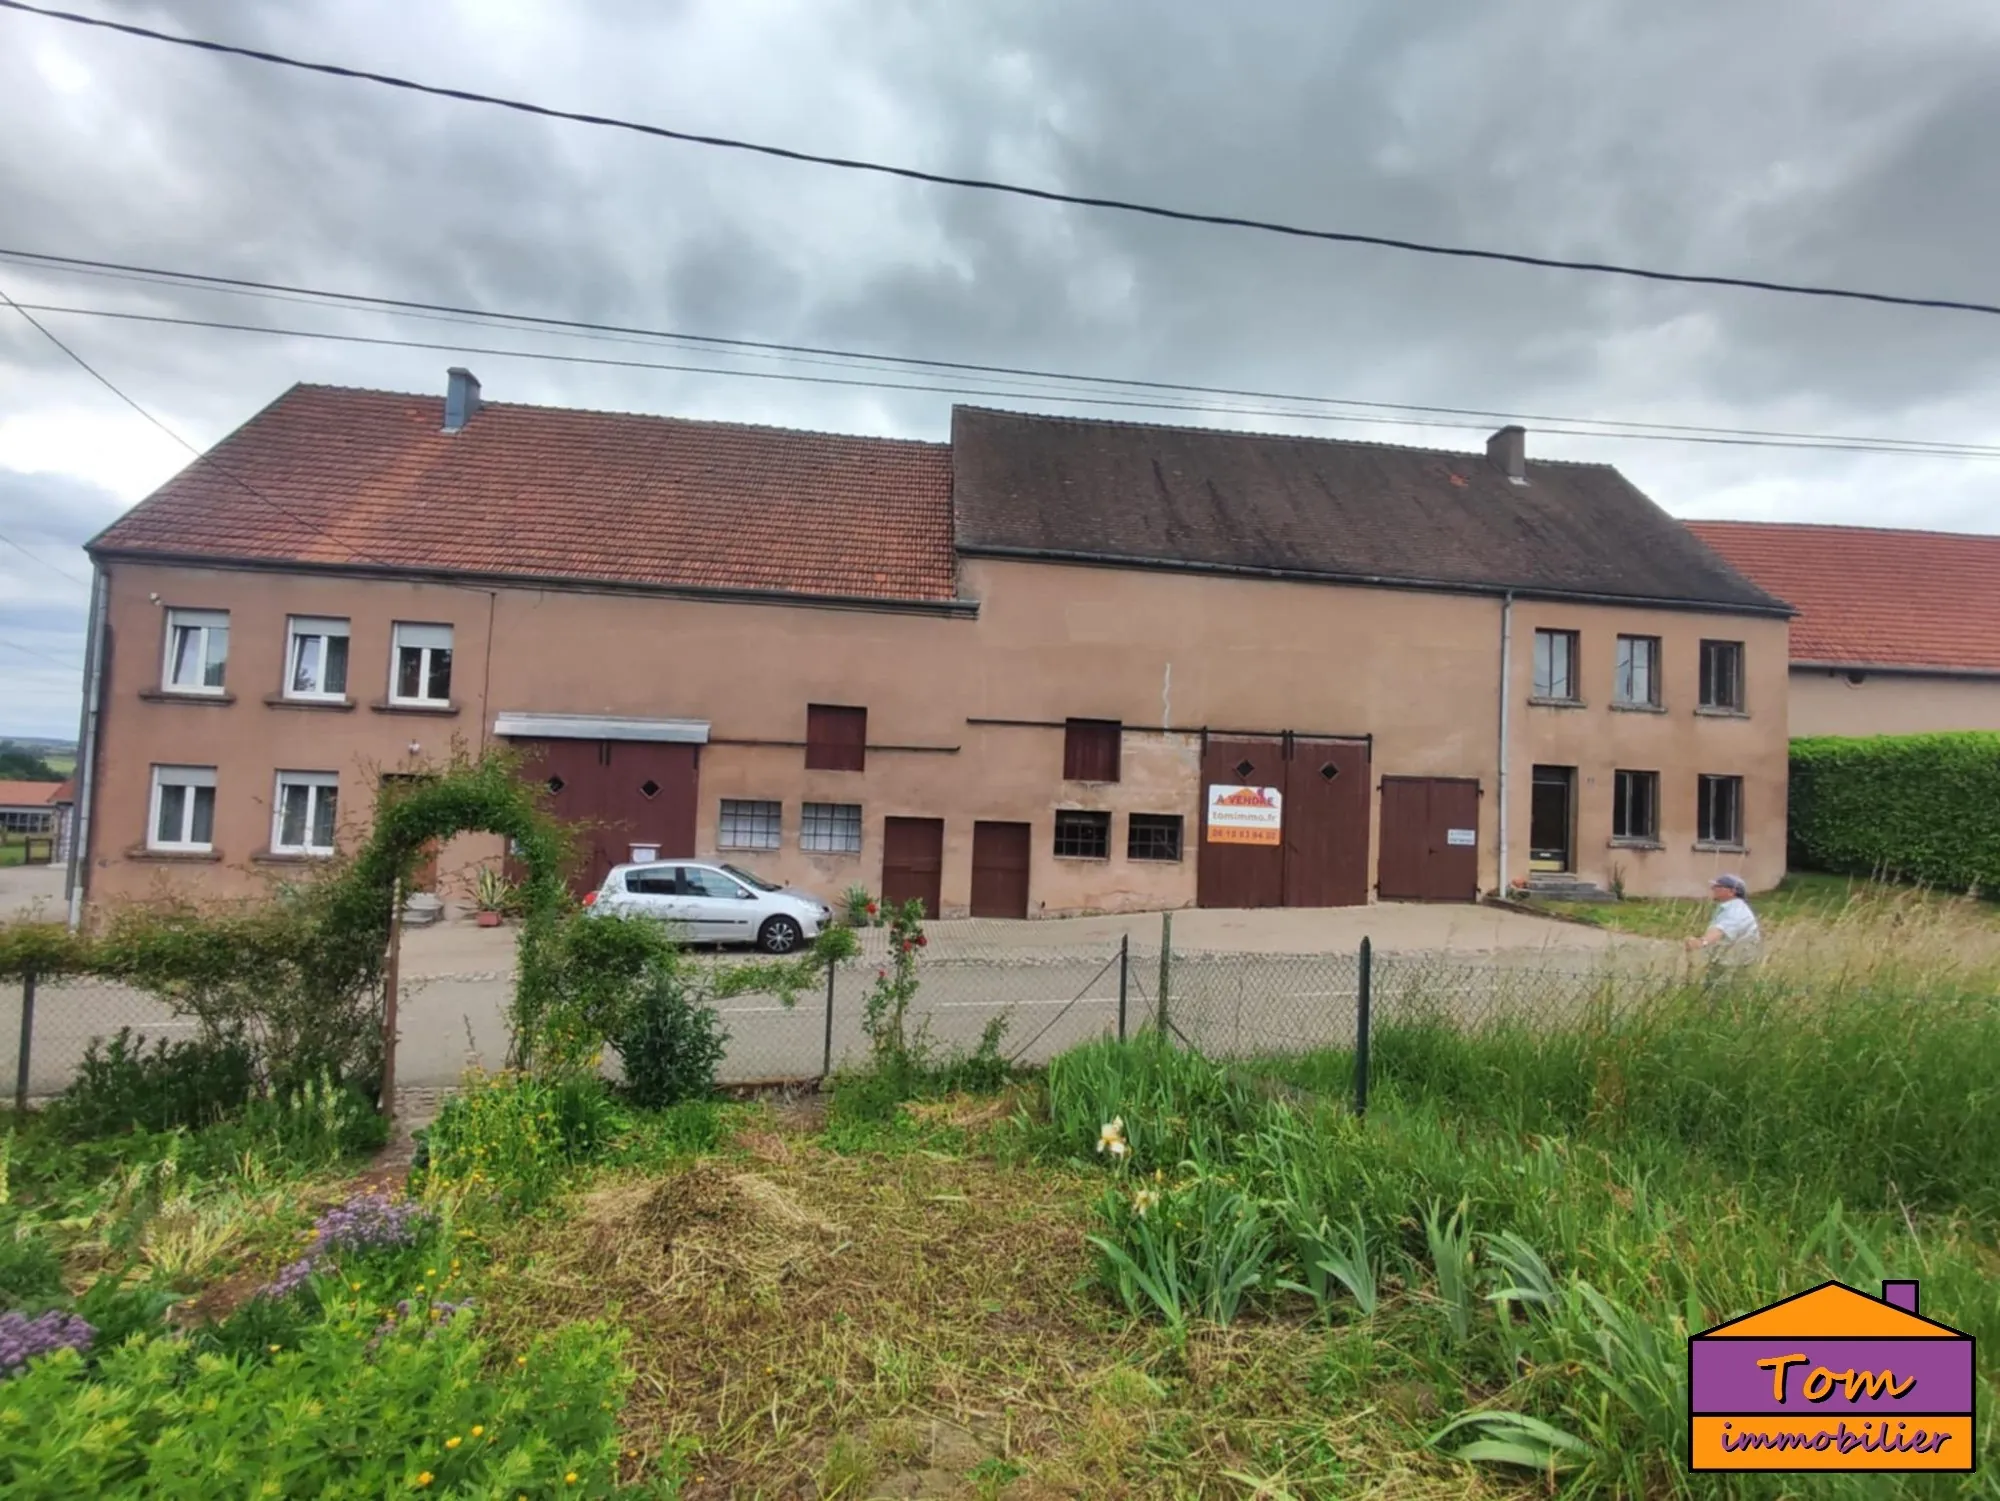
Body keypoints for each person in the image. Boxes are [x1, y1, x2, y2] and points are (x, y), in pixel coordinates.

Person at [1685, 874, 1761, 972]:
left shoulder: (1736, 910)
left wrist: (1702, 942)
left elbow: (1721, 930)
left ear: (1731, 892)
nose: (1713, 889)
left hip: (1733, 965)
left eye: (1718, 887)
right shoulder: (1730, 907)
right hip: (1729, 961)